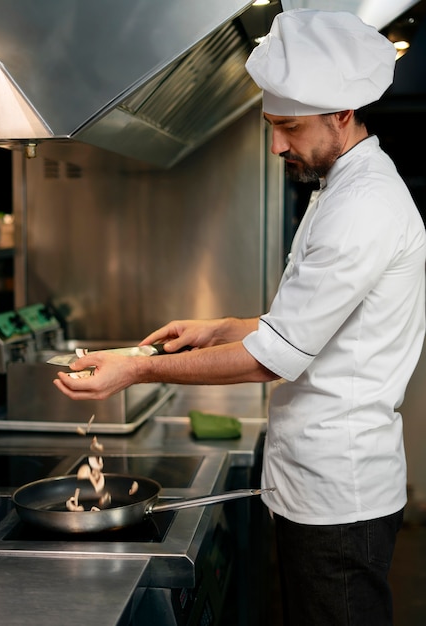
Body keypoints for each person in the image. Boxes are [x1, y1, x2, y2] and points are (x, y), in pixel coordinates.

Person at [54, 9, 426, 625]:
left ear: (341, 114)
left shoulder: (365, 206)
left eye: (288, 126)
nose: (277, 144)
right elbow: (306, 324)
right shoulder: (337, 187)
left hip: (340, 495)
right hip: (318, 485)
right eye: (271, 125)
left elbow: (274, 358)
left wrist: (133, 372)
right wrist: (221, 328)